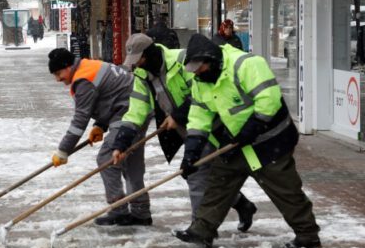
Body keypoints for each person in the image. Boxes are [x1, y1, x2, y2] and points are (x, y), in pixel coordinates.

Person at [174, 34, 321, 248]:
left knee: (286, 190)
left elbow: (268, 99)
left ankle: (308, 235)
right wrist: (192, 153)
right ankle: (202, 230)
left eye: (200, 68)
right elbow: (199, 116)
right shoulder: (201, 81)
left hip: (270, 141)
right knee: (219, 185)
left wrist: (253, 128)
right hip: (235, 142)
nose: (197, 74)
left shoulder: (247, 65)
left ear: (211, 59)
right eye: (193, 70)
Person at [109, 34, 257, 232]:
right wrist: (121, 144)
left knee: (196, 173)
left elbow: (201, 93)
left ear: (150, 53)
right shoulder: (142, 76)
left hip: (213, 124)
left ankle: (200, 228)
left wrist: (177, 115)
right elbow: (135, 111)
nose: (138, 65)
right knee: (205, 174)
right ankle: (241, 204)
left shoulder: (183, 60)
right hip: (189, 129)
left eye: (140, 59)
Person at [48, 48, 152, 225]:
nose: (58, 79)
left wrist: (63, 150)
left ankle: (119, 209)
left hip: (129, 112)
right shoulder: (88, 66)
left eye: (59, 73)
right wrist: (100, 125)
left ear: (68, 66)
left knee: (107, 158)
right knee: (129, 161)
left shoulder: (83, 80)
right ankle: (140, 212)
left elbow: (79, 121)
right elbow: (109, 95)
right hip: (135, 106)